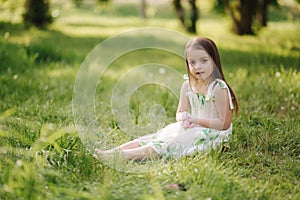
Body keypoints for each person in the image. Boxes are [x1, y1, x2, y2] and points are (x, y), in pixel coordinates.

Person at [94, 37, 238, 161]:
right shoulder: (187, 85)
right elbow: (180, 112)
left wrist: (195, 120)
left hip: (213, 134)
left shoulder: (218, 88)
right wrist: (183, 117)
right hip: (194, 127)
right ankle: (113, 152)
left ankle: (123, 156)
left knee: (168, 142)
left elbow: (224, 124)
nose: (197, 66)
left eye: (204, 61)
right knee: (156, 136)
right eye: (192, 62)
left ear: (214, 60)